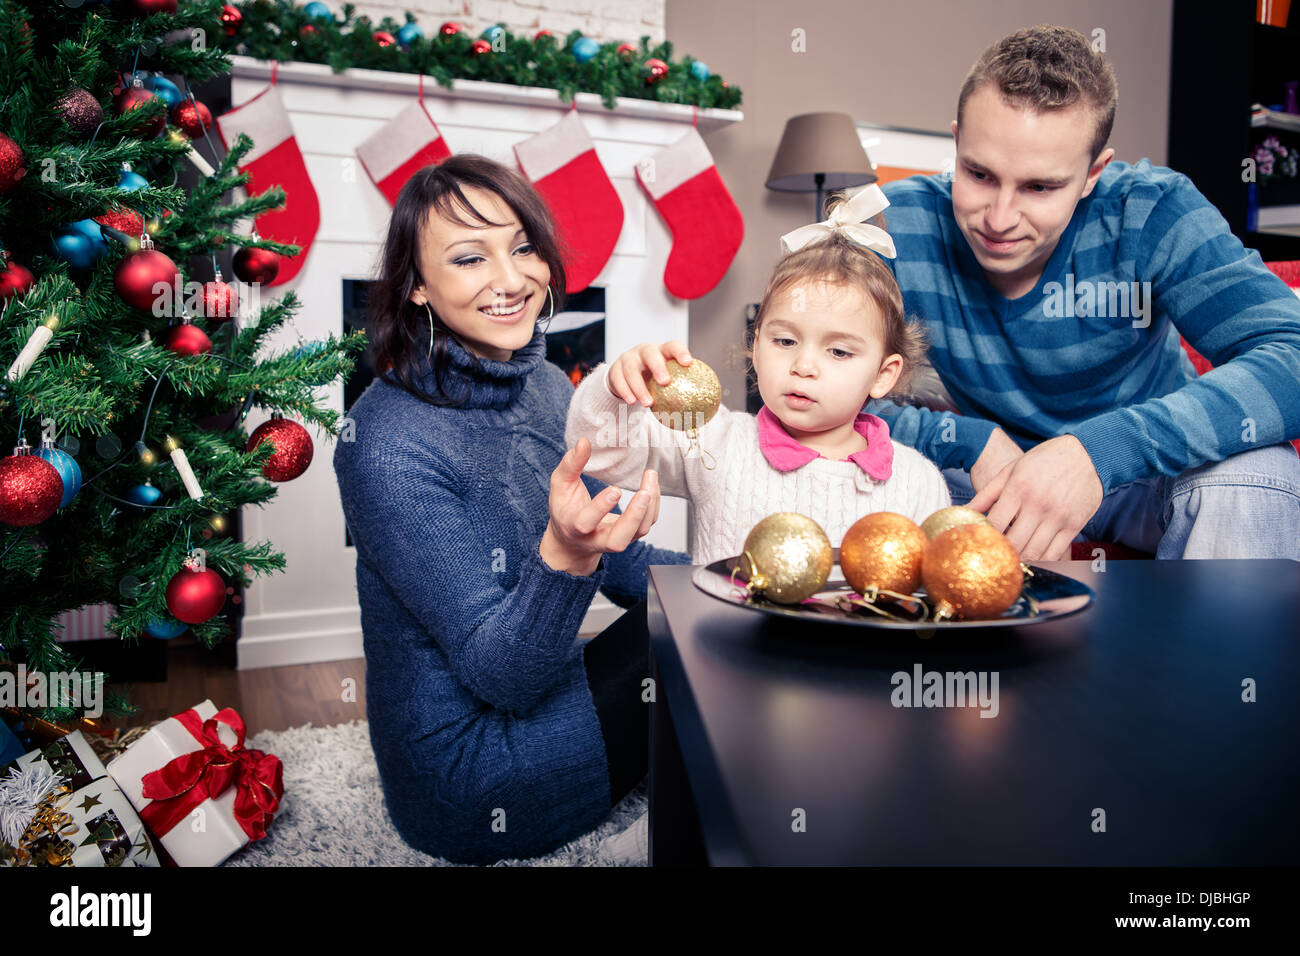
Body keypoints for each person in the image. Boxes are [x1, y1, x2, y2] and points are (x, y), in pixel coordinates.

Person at [332, 155, 689, 866]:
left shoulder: (550, 386)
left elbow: (625, 569)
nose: (512, 278)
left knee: (703, 616)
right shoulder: (383, 446)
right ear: (417, 289)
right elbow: (504, 678)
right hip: (468, 776)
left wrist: (732, 582)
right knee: (685, 648)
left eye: (523, 245)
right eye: (469, 258)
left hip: (529, 691)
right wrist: (566, 553)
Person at [869, 24, 1300, 560]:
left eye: (1040, 187)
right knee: (846, 471)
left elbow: (1293, 355)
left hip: (1147, 476)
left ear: (1094, 173)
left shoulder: (1151, 213)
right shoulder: (890, 224)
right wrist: (965, 438)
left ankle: (1212, 647)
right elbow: (807, 385)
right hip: (988, 479)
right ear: (956, 142)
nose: (999, 218)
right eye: (978, 174)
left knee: (1262, 472)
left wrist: (1098, 452)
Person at [566, 185, 951, 564]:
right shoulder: (714, 443)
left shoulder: (917, 482)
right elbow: (600, 455)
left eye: (838, 351)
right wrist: (617, 390)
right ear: (755, 344)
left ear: (883, 374)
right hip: (723, 630)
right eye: (784, 341)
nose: (803, 366)